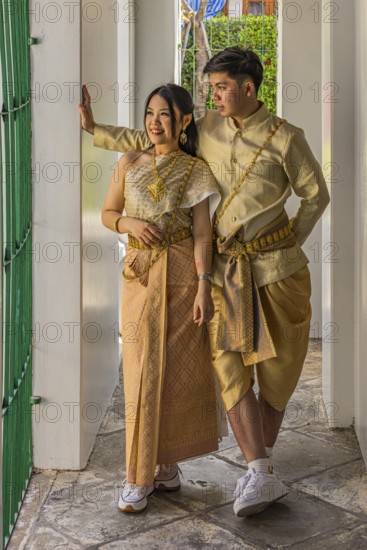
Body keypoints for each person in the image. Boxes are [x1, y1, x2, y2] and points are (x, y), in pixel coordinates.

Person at [79, 47, 330, 517]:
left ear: (248, 88)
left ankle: (261, 468)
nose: (213, 95)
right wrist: (95, 129)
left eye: (221, 87)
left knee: (276, 375)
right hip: (225, 271)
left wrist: (287, 240)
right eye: (210, 87)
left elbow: (316, 195)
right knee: (228, 366)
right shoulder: (207, 129)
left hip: (278, 273)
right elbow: (153, 134)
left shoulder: (286, 138)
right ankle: (255, 470)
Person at [100, 84, 221, 513]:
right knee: (138, 371)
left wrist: (204, 284)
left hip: (183, 277)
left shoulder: (195, 170)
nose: (154, 122)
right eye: (150, 113)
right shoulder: (129, 162)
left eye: (164, 114)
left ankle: (165, 466)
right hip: (139, 277)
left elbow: (203, 233)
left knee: (170, 372)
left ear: (184, 121)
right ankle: (138, 475)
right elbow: (108, 214)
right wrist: (129, 223)